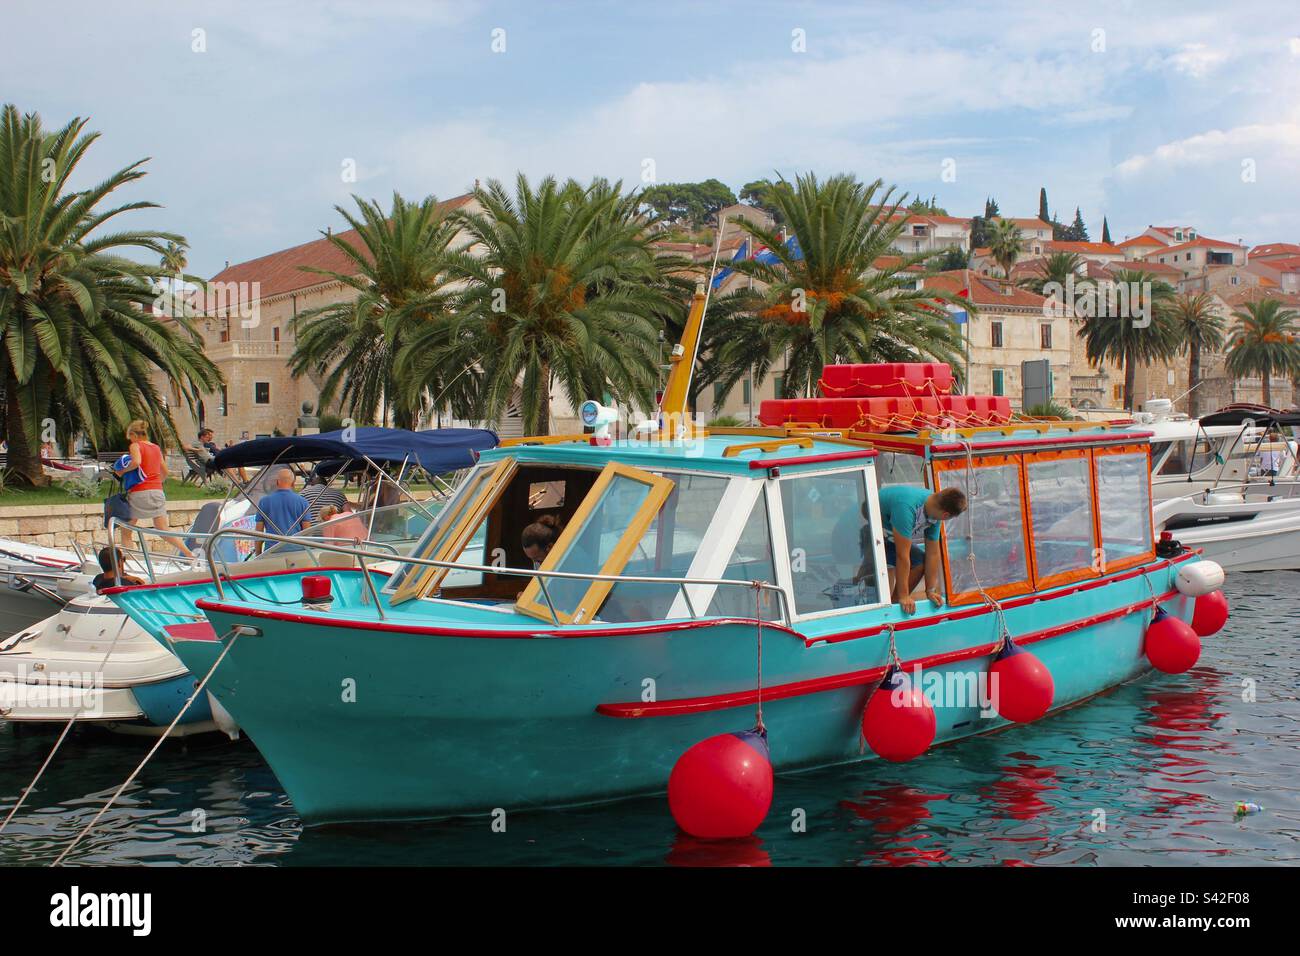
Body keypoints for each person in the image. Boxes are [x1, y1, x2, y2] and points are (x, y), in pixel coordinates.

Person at [876, 485, 967, 615]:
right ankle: (897, 600)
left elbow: (933, 554)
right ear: (946, 515)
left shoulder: (935, 507)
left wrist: (930, 590)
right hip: (863, 529)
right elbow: (902, 555)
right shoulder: (907, 507)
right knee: (898, 562)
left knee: (920, 562)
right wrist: (904, 596)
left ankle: (894, 602)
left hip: (887, 533)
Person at [114, 420, 193, 557]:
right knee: (163, 529)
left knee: (126, 530)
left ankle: (131, 560)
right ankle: (189, 555)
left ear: (133, 434)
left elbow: (137, 462)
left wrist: (122, 472)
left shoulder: (135, 446)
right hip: (157, 491)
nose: (130, 440)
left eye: (130, 437)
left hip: (140, 492)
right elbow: (165, 472)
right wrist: (156, 483)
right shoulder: (156, 448)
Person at [255, 467, 312, 552]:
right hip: (297, 550)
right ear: (293, 483)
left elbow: (258, 533)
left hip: (271, 551)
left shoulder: (264, 502)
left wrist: (258, 554)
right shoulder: (302, 502)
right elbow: (307, 533)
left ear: (277, 482)